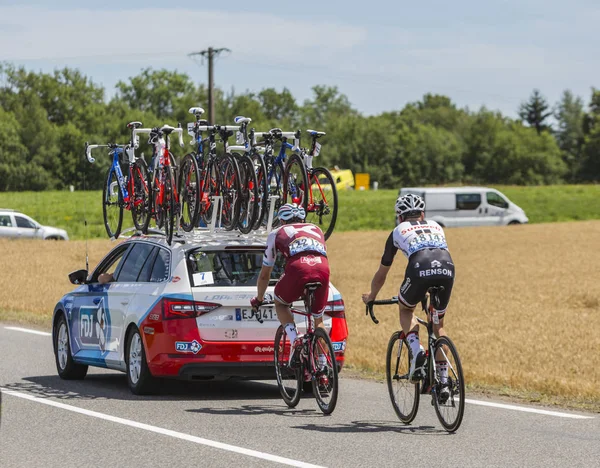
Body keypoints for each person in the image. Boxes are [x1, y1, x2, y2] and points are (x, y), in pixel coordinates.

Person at [362, 194, 455, 396]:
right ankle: (444, 381)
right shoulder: (436, 225)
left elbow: (382, 273)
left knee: (405, 308)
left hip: (419, 268)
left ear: (400, 217)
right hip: (447, 268)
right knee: (439, 326)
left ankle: (416, 349)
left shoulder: (397, 231)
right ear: (422, 214)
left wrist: (371, 296)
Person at [251, 203, 330, 366]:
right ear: (302, 218)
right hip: (322, 268)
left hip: (298, 269)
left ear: (281, 220)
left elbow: (265, 274)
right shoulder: (316, 229)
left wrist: (259, 298)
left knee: (280, 303)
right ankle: (323, 366)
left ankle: (295, 339)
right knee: (318, 320)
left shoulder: (276, 232)